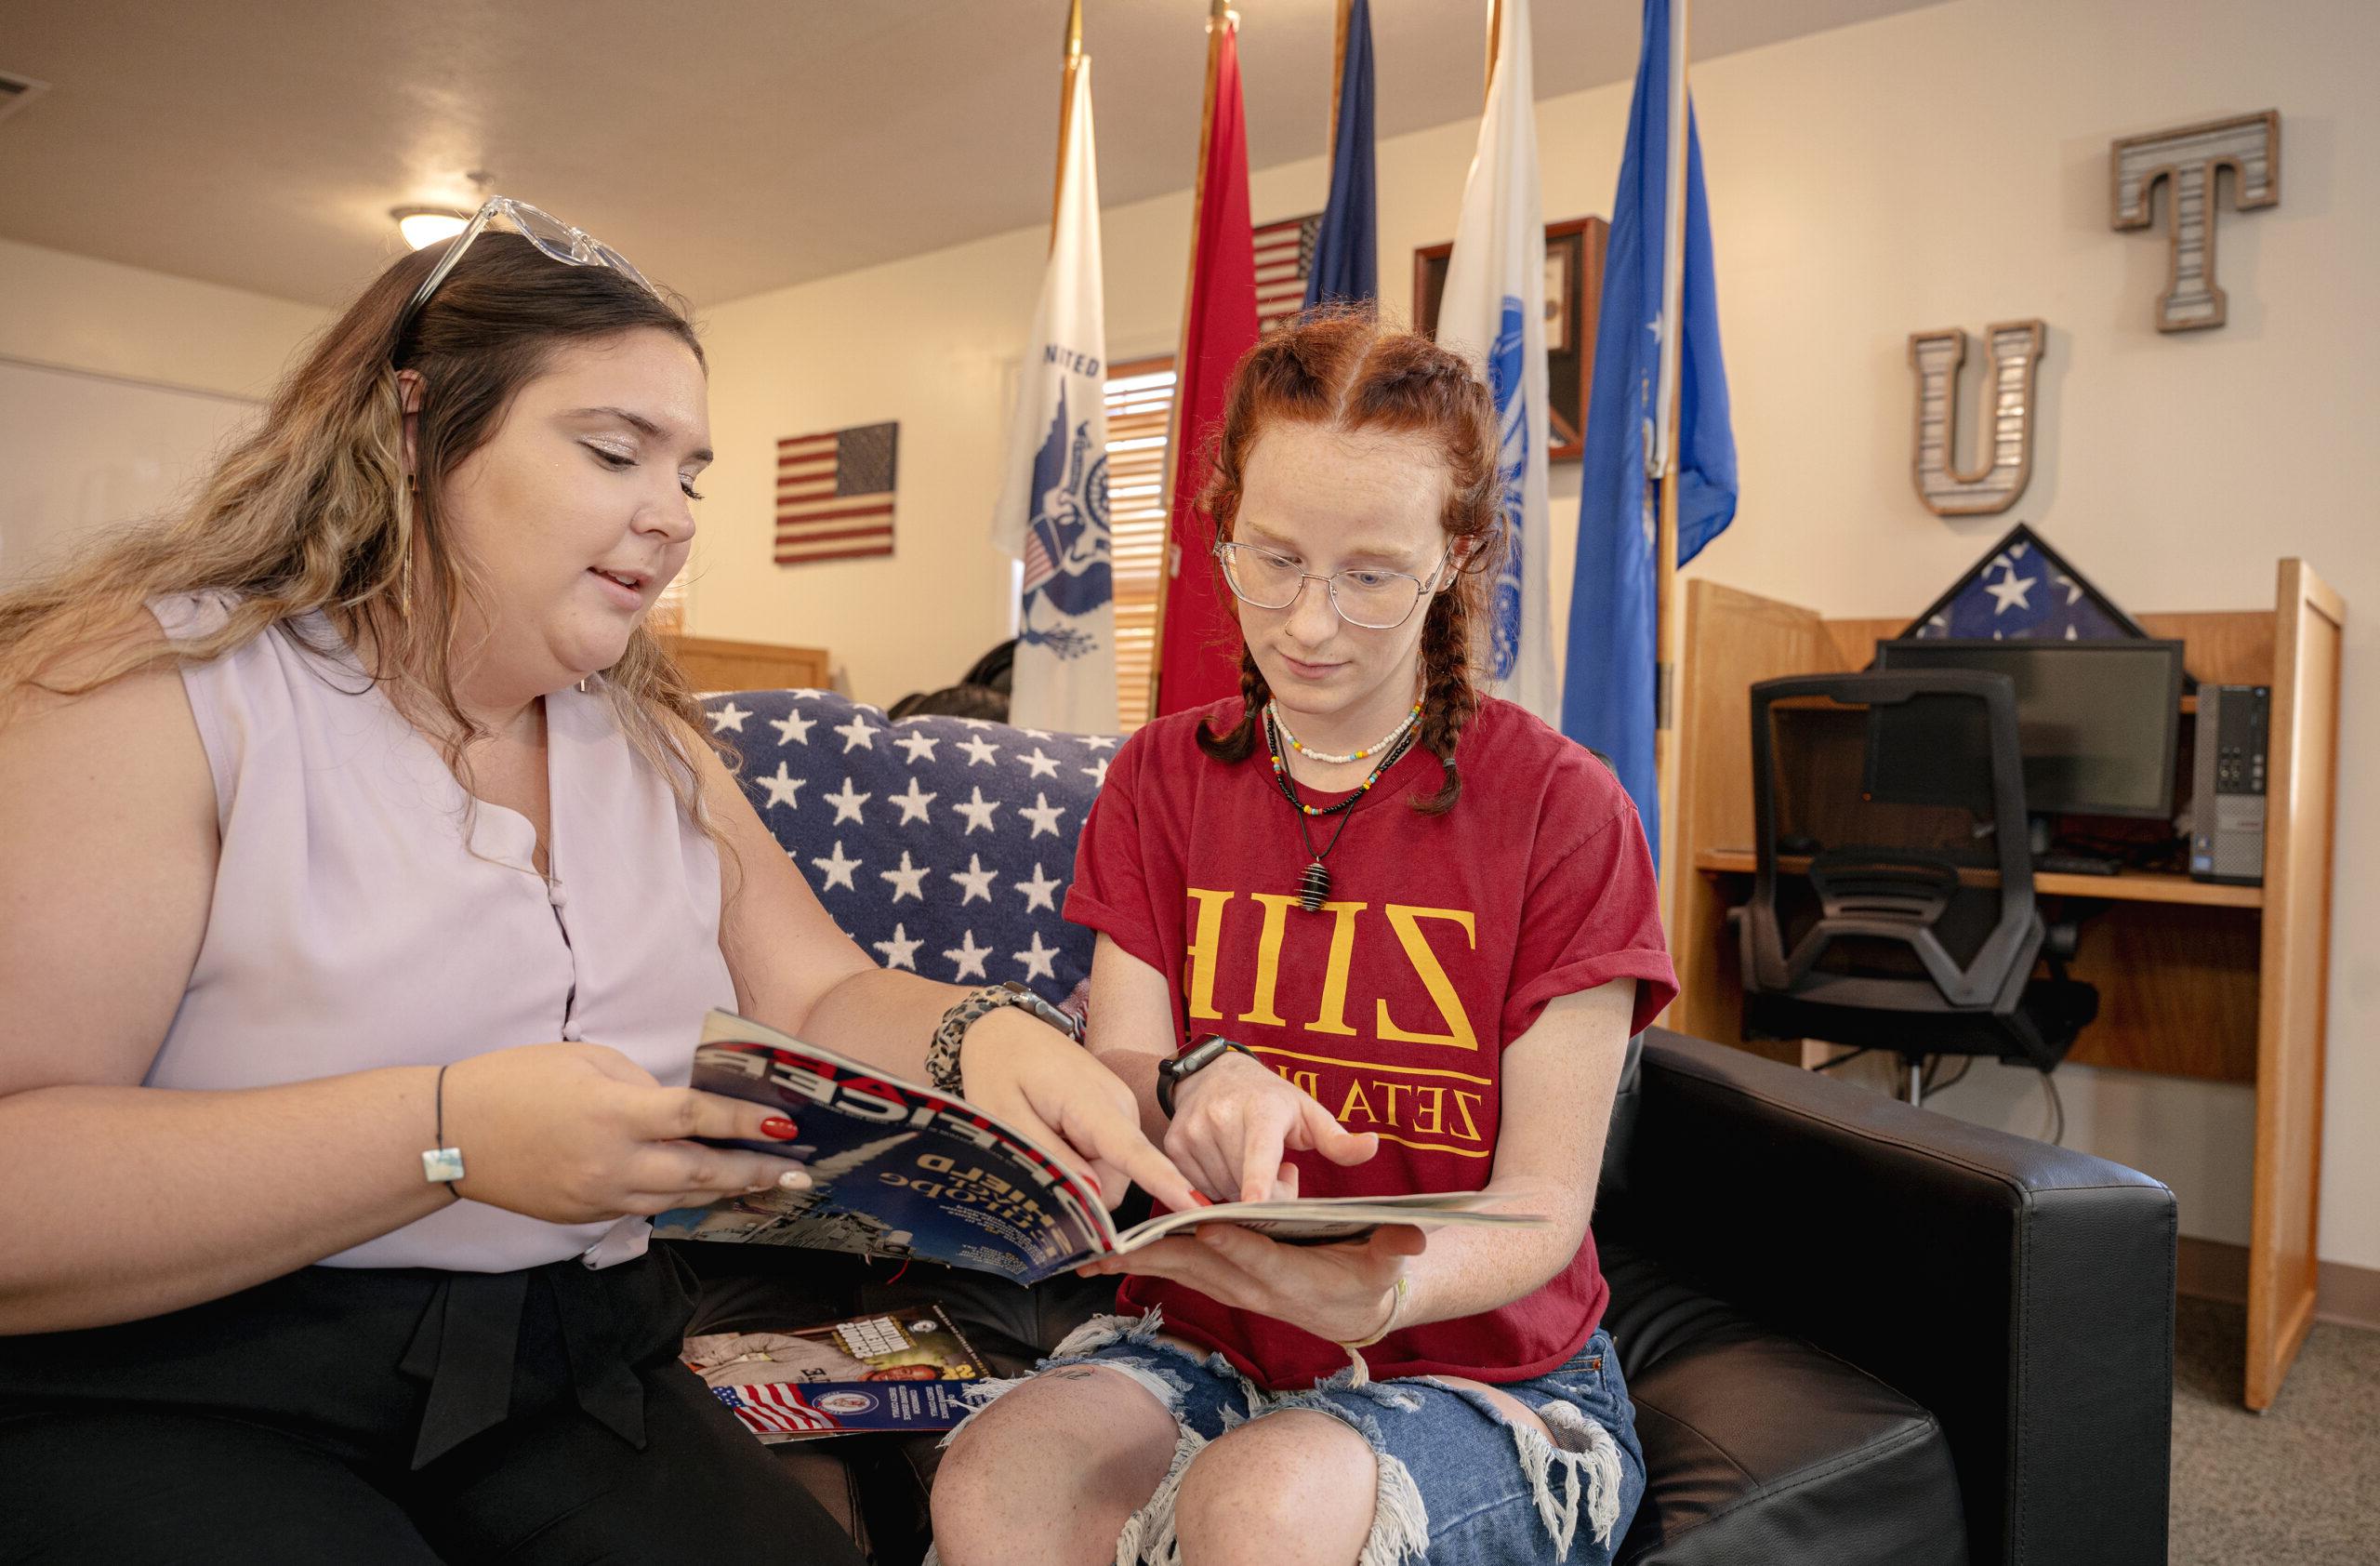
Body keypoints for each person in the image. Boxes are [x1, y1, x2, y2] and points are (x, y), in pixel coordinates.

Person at [0, 197, 1200, 1565]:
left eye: (689, 473)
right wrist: (448, 1140)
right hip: (181, 1384)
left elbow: (817, 987)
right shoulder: (150, 694)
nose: (670, 517)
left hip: (568, 1371)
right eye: (614, 451)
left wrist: (976, 1036)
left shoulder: (648, 737)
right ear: (412, 428)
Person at [929, 312, 1677, 1566]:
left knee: (1265, 1503)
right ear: (1220, 524)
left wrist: (1386, 1288)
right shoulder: (1162, 777)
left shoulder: (1566, 809)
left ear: (1455, 555)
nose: (1310, 623)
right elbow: (1123, 1078)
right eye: (1269, 557)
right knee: (1000, 1479)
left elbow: (1544, 1206)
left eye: (1371, 575)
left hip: (1487, 1372)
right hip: (1201, 1333)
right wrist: (1184, 1079)